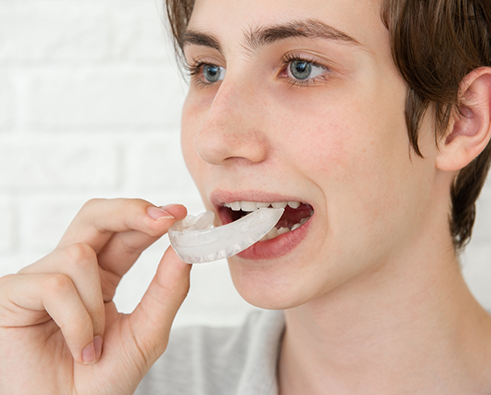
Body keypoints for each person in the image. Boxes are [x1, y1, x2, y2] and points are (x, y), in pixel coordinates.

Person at [1, 0, 491, 393]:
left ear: (459, 120)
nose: (212, 139)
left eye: (301, 68)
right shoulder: (111, 382)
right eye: (208, 70)